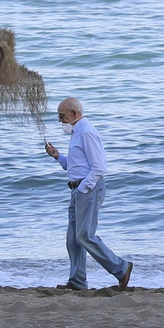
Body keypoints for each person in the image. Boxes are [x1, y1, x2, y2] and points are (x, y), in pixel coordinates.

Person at [43, 96, 133, 290]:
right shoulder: (76, 132)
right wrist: (57, 156)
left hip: (88, 189)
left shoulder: (86, 132)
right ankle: (77, 281)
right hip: (77, 189)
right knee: (72, 239)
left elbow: (99, 167)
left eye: (62, 116)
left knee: (84, 236)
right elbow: (75, 167)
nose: (60, 120)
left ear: (74, 114)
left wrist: (84, 187)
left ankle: (121, 268)